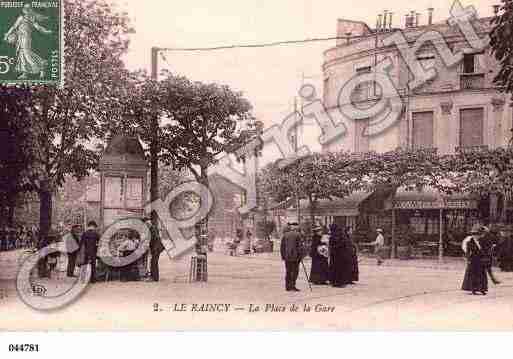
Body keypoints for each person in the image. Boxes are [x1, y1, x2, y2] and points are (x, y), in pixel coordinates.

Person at [3, 4, 52, 79]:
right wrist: (7, 35)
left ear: (29, 10)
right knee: (22, 54)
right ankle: (25, 73)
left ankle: (41, 67)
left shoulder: (29, 18)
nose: (27, 11)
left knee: (26, 54)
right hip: (21, 38)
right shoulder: (22, 18)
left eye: (28, 9)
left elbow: (38, 27)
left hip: (25, 38)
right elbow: (14, 27)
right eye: (26, 9)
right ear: (24, 10)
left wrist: (46, 31)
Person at [461, 225, 488, 295]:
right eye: (475, 234)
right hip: (473, 260)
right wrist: (468, 259)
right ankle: (473, 289)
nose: (476, 236)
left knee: (482, 275)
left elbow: (483, 250)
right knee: (473, 276)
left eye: (477, 234)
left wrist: (485, 257)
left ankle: (482, 289)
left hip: (480, 260)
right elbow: (467, 252)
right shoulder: (469, 242)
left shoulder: (481, 241)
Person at [280, 223, 303, 291]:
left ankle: (287, 286)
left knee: (288, 271)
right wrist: (300, 255)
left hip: (287, 256)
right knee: (295, 271)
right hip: (295, 257)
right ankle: (293, 285)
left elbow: (282, 247)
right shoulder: (298, 235)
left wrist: (283, 256)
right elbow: (300, 247)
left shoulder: (285, 235)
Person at [144, 217, 164, 282]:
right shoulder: (153, 228)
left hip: (156, 248)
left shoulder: (152, 229)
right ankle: (155, 277)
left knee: (153, 262)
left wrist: (147, 243)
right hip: (157, 247)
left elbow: (153, 238)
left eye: (147, 223)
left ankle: (154, 278)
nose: (146, 225)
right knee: (154, 262)